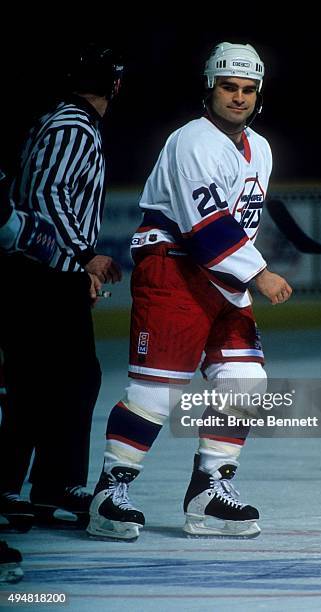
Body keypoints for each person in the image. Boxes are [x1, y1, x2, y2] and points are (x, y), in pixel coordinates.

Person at [87, 41, 292, 541]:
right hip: (175, 268)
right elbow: (206, 225)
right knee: (157, 392)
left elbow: (238, 222)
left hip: (223, 279)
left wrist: (245, 272)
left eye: (248, 89)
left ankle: (208, 493)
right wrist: (259, 273)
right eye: (229, 87)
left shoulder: (259, 148)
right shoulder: (192, 141)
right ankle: (108, 493)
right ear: (210, 87)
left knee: (245, 383)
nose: (239, 97)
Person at [0, 43, 123, 531]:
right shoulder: (73, 124)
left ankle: (45, 482)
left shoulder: (62, 120)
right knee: (57, 379)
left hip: (43, 270)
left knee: (54, 380)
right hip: (41, 273)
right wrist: (82, 256)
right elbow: (48, 191)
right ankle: (36, 483)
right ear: (114, 84)